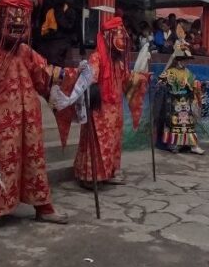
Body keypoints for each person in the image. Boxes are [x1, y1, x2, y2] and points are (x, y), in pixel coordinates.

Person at [0, 0, 70, 225]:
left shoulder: (27, 53)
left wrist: (75, 76)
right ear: (0, 22)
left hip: (28, 123)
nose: (17, 28)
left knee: (33, 163)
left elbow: (46, 75)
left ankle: (43, 208)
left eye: (22, 24)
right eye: (12, 23)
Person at [56, 17, 149, 189]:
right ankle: (90, 176)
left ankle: (110, 172)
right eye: (118, 36)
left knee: (113, 142)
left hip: (116, 110)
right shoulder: (96, 58)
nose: (121, 41)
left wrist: (142, 78)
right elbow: (88, 79)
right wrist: (89, 87)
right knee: (98, 143)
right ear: (108, 37)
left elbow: (127, 81)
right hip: (99, 110)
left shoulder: (119, 62)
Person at [156, 34, 207, 154]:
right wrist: (162, 83)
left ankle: (193, 146)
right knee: (174, 123)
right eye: (184, 60)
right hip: (173, 102)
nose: (186, 62)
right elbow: (160, 82)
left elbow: (193, 84)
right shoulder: (170, 72)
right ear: (178, 60)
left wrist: (200, 85)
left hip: (186, 102)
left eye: (187, 60)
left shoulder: (188, 73)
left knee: (189, 123)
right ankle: (174, 144)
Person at [37, 0, 77, 67]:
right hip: (56, 39)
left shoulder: (66, 11)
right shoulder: (55, 10)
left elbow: (67, 25)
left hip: (60, 40)